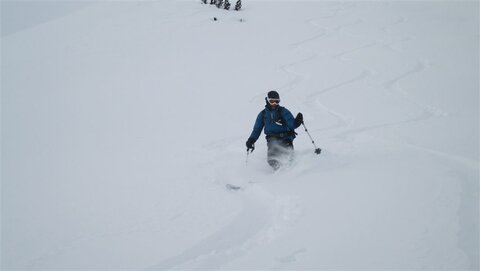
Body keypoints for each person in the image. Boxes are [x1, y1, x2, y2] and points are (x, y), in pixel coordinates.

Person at [246, 91, 303, 169]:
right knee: (272, 160)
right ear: (267, 100)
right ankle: (277, 176)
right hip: (272, 140)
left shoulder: (283, 111)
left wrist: (297, 122)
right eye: (272, 101)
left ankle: (291, 175)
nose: (274, 104)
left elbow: (291, 124)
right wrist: (251, 140)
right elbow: (257, 129)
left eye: (277, 101)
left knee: (288, 159)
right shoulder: (263, 114)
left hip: (286, 139)